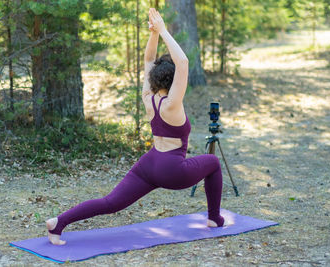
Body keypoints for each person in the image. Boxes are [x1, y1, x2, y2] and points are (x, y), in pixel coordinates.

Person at [45, 8, 225, 245]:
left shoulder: (147, 97)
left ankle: (59, 223)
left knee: (111, 203)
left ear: (154, 80)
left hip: (149, 164)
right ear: (173, 83)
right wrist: (162, 31)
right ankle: (213, 218)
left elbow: (148, 60)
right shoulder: (173, 104)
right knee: (213, 163)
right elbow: (183, 62)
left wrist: (153, 34)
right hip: (172, 170)